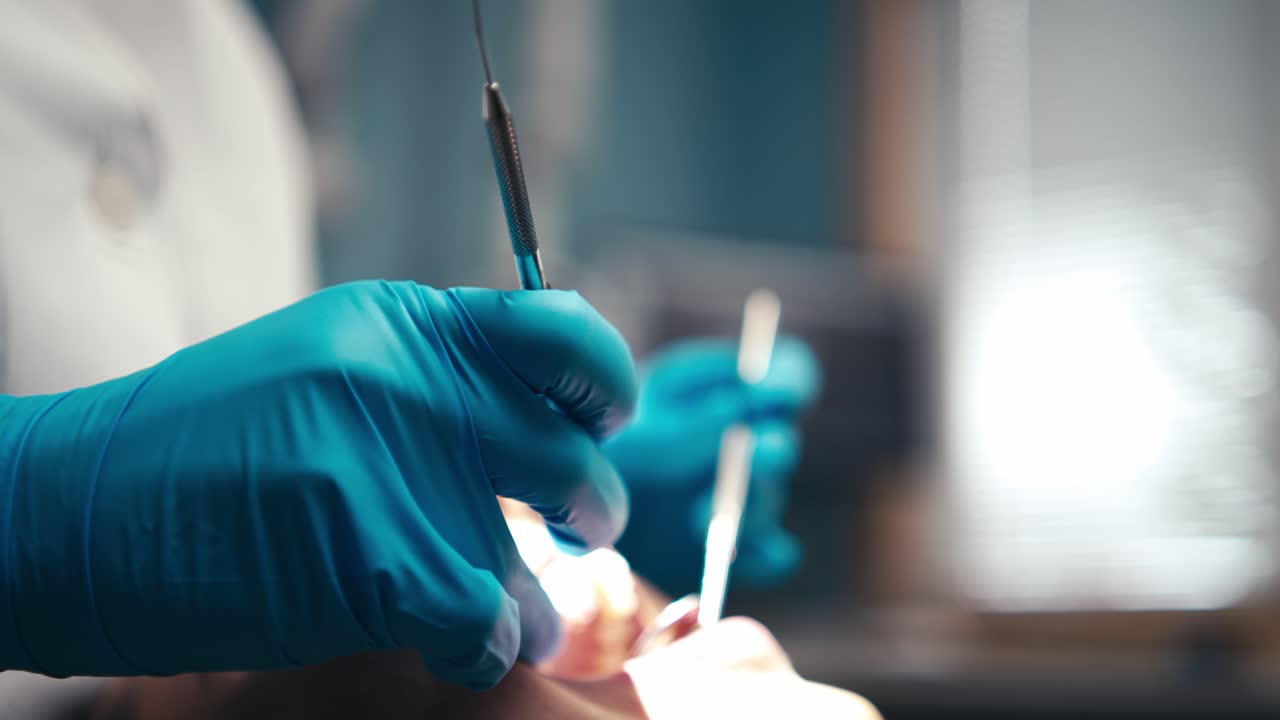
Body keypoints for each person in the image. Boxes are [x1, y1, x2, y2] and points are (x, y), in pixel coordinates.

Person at [0, 0, 825, 715]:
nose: (739, 636)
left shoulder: (224, 67)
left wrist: (522, 502)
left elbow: (295, 522)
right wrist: (38, 512)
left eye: (647, 656)